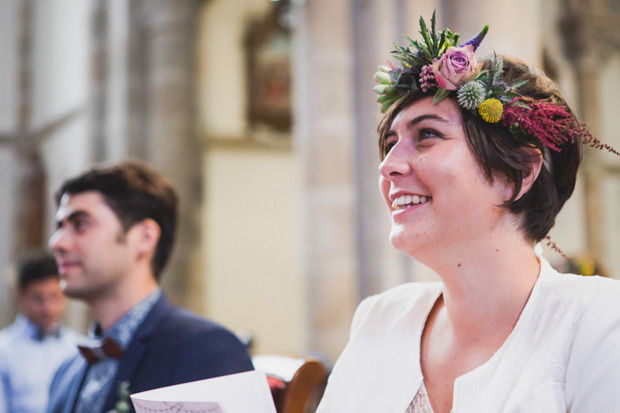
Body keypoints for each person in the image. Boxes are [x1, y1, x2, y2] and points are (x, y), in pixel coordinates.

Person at [317, 12, 620, 412]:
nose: (388, 164)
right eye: (390, 142)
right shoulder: (379, 318)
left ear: (517, 174)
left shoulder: (598, 322)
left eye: (426, 135)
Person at [46, 160, 254, 413]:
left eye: (80, 225)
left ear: (144, 238)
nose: (57, 243)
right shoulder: (66, 373)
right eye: (60, 227)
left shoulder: (205, 350)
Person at [0, 252, 81, 413]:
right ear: (20, 294)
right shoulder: (3, 350)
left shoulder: (79, 347)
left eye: (54, 297)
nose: (48, 308)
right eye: (38, 298)